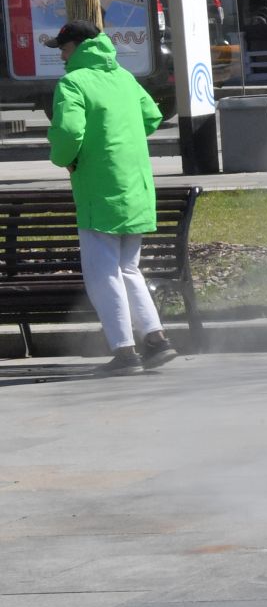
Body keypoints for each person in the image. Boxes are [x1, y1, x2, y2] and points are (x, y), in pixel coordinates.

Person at [43, 21, 180, 375]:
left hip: (99, 191)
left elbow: (70, 132)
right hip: (135, 187)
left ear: (77, 46)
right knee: (128, 268)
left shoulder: (73, 83)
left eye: (63, 47)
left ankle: (124, 351)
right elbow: (151, 116)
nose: (60, 55)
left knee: (102, 273)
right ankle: (156, 339)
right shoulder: (123, 76)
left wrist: (64, 157)